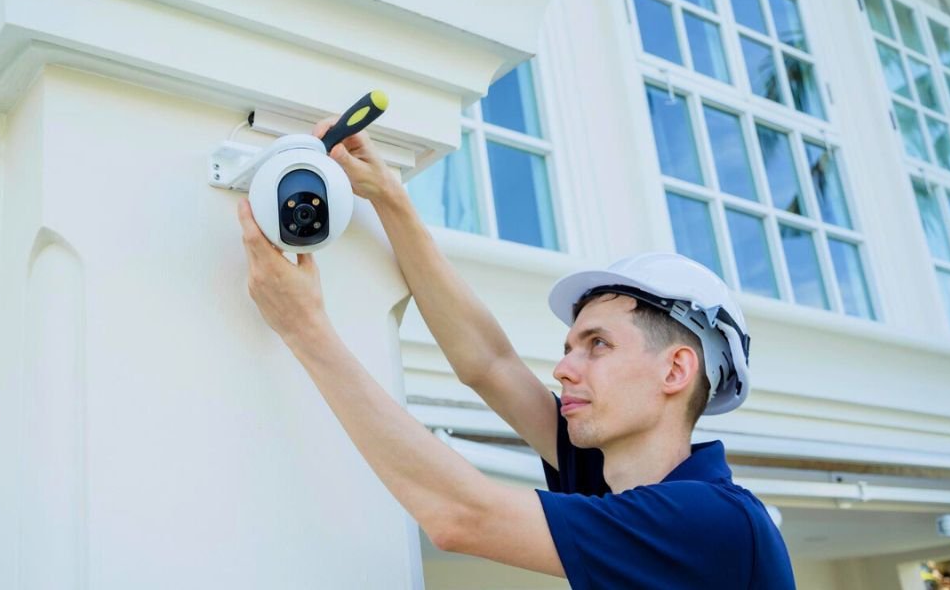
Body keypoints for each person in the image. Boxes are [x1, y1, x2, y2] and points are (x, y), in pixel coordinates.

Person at [235, 115, 796, 588]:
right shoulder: (608, 481)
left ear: (676, 369)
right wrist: (390, 198)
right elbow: (489, 364)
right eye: (570, 346)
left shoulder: (714, 520)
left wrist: (305, 329)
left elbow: (461, 516)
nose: (563, 368)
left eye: (597, 344)